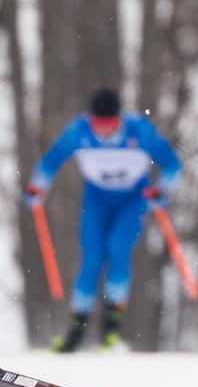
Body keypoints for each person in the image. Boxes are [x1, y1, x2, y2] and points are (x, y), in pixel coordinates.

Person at [25, 88, 181, 352]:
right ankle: (75, 332)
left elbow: (173, 165)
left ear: (119, 119)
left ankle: (111, 329)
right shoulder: (79, 132)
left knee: (118, 249)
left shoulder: (139, 131)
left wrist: (161, 190)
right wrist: (37, 187)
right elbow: (51, 162)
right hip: (96, 199)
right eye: (99, 124)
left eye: (110, 124)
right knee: (92, 260)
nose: (105, 131)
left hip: (133, 199)